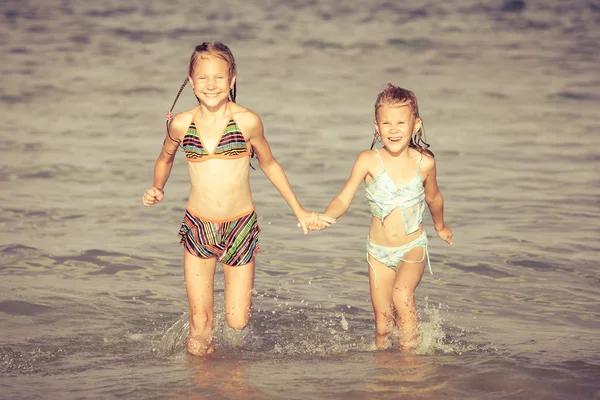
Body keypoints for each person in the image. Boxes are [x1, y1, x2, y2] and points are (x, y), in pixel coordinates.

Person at [142, 42, 335, 356]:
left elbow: (270, 163)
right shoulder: (181, 123)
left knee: (236, 320)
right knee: (200, 321)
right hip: (198, 226)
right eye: (203, 78)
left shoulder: (247, 121)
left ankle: (240, 309)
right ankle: (201, 382)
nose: (211, 85)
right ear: (190, 82)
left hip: (240, 227)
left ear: (232, 79)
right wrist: (157, 187)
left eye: (219, 77)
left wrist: (299, 211)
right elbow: (165, 157)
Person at [305, 84, 452, 351]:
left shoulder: (425, 162)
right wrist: (325, 216)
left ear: (416, 125)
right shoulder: (368, 160)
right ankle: (384, 376)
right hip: (378, 253)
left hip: (413, 247)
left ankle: (411, 364)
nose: (393, 129)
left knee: (402, 294)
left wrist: (440, 227)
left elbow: (433, 197)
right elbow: (343, 198)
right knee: (384, 326)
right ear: (376, 126)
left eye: (400, 122)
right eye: (386, 123)